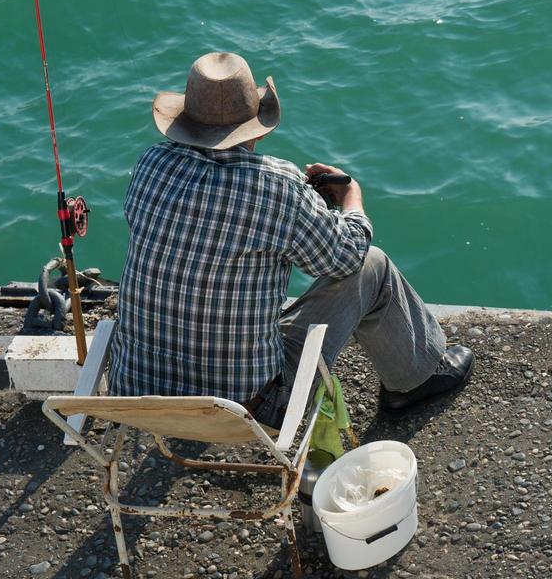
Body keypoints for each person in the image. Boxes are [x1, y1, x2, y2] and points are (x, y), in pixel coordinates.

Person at [107, 51, 473, 422]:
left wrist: (295, 204)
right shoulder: (277, 186)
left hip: (141, 395)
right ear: (258, 125)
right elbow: (345, 257)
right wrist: (351, 201)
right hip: (246, 408)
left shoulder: (151, 164)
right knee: (372, 265)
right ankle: (413, 383)